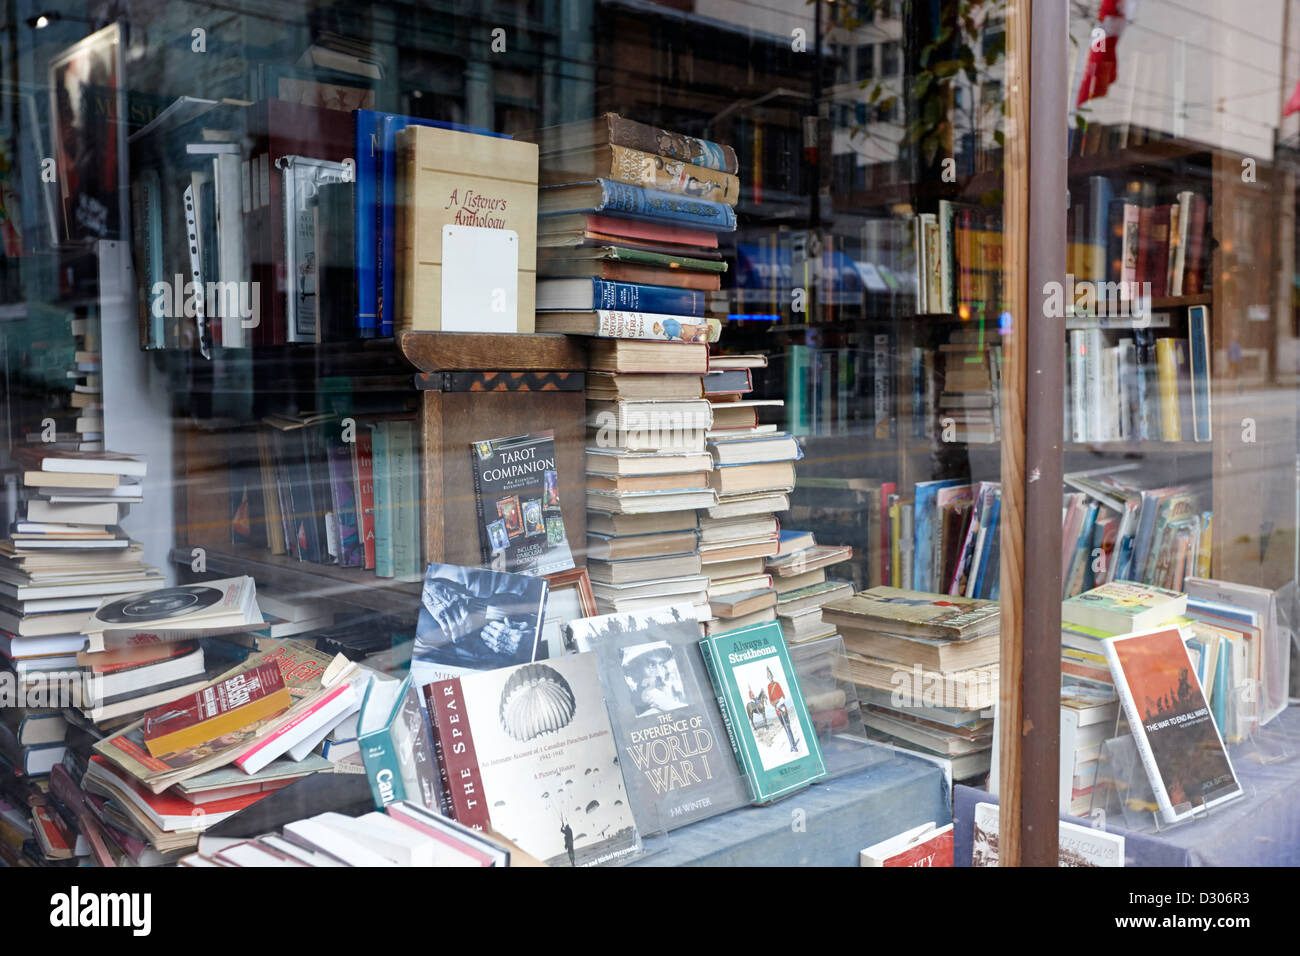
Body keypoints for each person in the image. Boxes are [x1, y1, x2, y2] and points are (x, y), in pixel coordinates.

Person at [766, 667, 800, 753]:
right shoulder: (769, 687)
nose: (770, 677)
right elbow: (770, 699)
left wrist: (778, 702)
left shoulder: (776, 684)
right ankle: (791, 745)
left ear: (772, 676)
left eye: (770, 675)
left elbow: (782, 695)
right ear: (768, 677)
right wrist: (774, 704)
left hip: (782, 707)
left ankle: (793, 745)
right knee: (785, 728)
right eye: (768, 676)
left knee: (788, 726)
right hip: (777, 710)